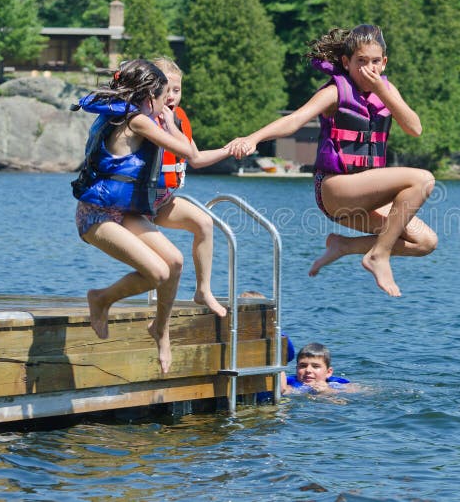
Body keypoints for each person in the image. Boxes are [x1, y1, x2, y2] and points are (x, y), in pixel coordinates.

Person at [227, 24, 438, 297]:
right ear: (346, 62)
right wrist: (253, 138)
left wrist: (384, 92)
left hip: (365, 198)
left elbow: (415, 128)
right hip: (336, 190)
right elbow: (294, 120)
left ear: (384, 62)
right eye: (361, 62)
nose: (369, 69)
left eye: (375, 62)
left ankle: (344, 246)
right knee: (422, 179)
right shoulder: (335, 92)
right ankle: (378, 256)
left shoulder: (387, 90)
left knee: (426, 242)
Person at [72, 59, 199, 373]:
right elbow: (189, 154)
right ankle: (100, 299)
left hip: (123, 210)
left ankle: (161, 329)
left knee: (175, 261)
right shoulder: (138, 120)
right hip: (96, 214)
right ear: (150, 96)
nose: (166, 100)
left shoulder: (124, 112)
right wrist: (171, 126)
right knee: (156, 272)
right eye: (163, 94)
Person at [151, 57, 232, 318]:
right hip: (136, 204)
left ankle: (203, 291)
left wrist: (228, 150)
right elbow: (182, 148)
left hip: (162, 200)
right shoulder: (145, 117)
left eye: (177, 90)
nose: (172, 96)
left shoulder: (178, 118)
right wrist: (169, 125)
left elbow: (195, 158)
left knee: (204, 223)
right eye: (167, 90)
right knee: (168, 261)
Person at [281, 343, 353, 395]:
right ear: (296, 369)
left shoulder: (336, 385)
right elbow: (283, 390)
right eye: (303, 366)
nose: (308, 370)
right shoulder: (291, 385)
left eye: (315, 366)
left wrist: (328, 391)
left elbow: (360, 391)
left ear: (328, 372)